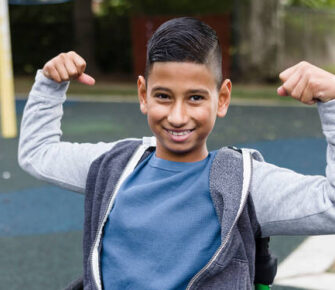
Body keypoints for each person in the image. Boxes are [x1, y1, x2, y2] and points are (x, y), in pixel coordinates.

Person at [18, 17, 335, 290]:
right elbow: (38, 152)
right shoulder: (115, 167)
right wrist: (49, 84)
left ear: (222, 98)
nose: (178, 116)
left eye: (196, 98)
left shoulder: (244, 185)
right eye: (163, 96)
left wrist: (333, 104)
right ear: (143, 94)